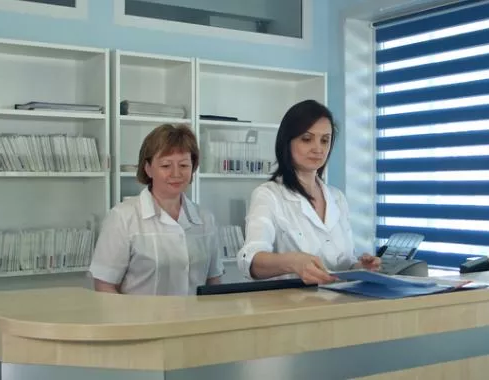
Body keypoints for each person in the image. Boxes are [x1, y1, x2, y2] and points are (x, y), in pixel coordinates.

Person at [237, 100, 381, 285]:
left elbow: (342, 265)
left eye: (325, 140)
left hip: (340, 305)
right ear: (287, 141)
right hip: (292, 308)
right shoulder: (269, 195)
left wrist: (360, 268)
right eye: (307, 139)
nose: (318, 148)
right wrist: (292, 262)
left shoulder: (337, 198)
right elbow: (250, 260)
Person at [89, 124, 224, 295]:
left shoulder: (205, 219)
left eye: (183, 165)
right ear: (148, 168)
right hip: (140, 320)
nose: (176, 174)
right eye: (166, 166)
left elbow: (214, 281)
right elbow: (104, 285)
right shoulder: (123, 217)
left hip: (195, 320)